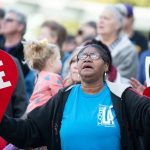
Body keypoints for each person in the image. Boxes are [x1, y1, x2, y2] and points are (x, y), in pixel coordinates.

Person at [1, 39, 150, 150]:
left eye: (94, 55)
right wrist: (2, 120)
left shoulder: (122, 95)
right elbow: (30, 131)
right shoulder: (63, 97)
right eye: (82, 56)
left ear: (106, 66)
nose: (86, 58)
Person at [97, 4, 138, 80]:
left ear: (118, 25)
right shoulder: (88, 44)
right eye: (100, 17)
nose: (101, 21)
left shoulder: (128, 50)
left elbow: (122, 80)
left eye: (106, 18)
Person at [23, 39, 64, 113]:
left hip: (32, 110)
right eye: (59, 59)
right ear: (51, 62)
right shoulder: (53, 77)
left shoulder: (39, 75)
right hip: (42, 113)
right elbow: (61, 98)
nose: (61, 61)